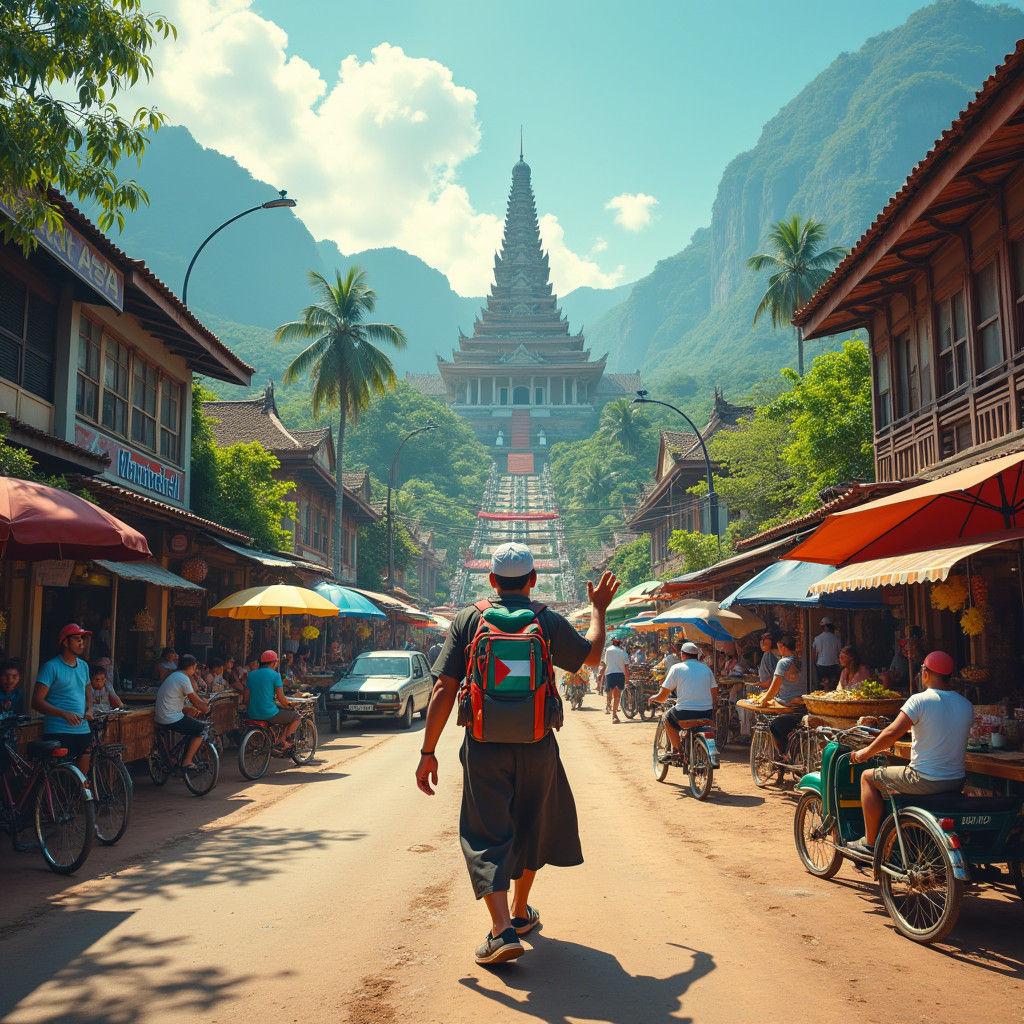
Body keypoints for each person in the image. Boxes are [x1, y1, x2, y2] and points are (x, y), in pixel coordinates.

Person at [415, 542, 617, 965]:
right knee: (532, 823)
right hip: (538, 743)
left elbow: (443, 688)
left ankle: (503, 927)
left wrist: (428, 750)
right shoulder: (546, 620)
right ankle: (521, 911)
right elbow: (593, 658)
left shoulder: (470, 618)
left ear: (491, 580)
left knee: (486, 831)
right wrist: (598, 608)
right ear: (533, 581)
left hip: (485, 747)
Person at [848, 650, 972, 856]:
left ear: (925, 672)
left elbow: (891, 733)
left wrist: (865, 753)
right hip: (955, 781)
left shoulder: (919, 700)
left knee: (867, 777)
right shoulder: (966, 705)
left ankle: (869, 844)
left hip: (924, 779)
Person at [32, 624, 93, 771]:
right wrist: (63, 714)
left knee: (81, 783)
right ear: (65, 642)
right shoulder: (51, 667)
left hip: (83, 729)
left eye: (83, 639)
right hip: (58, 731)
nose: (82, 643)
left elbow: (88, 694)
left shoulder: (84, 666)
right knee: (59, 779)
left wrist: (90, 709)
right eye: (77, 639)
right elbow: (36, 701)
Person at [647, 642, 718, 758]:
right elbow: (714, 694)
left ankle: (678, 750)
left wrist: (654, 697)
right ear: (697, 656)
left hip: (684, 714)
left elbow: (663, 696)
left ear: (683, 655)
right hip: (706, 713)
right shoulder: (706, 669)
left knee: (666, 718)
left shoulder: (677, 668)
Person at [154, 654, 210, 770]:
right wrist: (206, 708)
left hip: (163, 716)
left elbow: (194, 698)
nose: (194, 671)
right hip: (170, 718)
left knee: (191, 725)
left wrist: (201, 704)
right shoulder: (183, 678)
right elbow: (195, 701)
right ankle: (187, 761)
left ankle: (179, 758)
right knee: (201, 729)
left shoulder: (175, 676)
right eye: (194, 668)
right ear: (191, 667)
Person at [753, 633, 804, 760]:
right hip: (804, 705)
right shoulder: (803, 661)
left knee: (774, 726)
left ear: (782, 646)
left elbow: (774, 687)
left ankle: (783, 756)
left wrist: (764, 699)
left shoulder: (783, 662)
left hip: (788, 705)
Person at [243, 651, 300, 743]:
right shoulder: (275, 675)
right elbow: (281, 699)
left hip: (252, 713)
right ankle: (286, 742)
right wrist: (289, 703)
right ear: (274, 663)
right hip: (269, 713)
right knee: (296, 716)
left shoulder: (251, 675)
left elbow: (245, 700)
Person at [600, 637, 629, 723]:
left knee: (609, 693)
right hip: (620, 674)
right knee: (617, 696)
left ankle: (608, 706)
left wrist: (602, 672)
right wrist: (627, 676)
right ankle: (614, 715)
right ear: (620, 644)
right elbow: (626, 666)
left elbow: (605, 663)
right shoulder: (623, 652)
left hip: (609, 673)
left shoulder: (608, 650)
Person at [812, 618, 842, 688]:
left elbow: (815, 654)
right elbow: (839, 652)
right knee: (833, 685)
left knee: (822, 686)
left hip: (821, 665)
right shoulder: (836, 638)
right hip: (834, 665)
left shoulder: (817, 638)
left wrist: (816, 664)